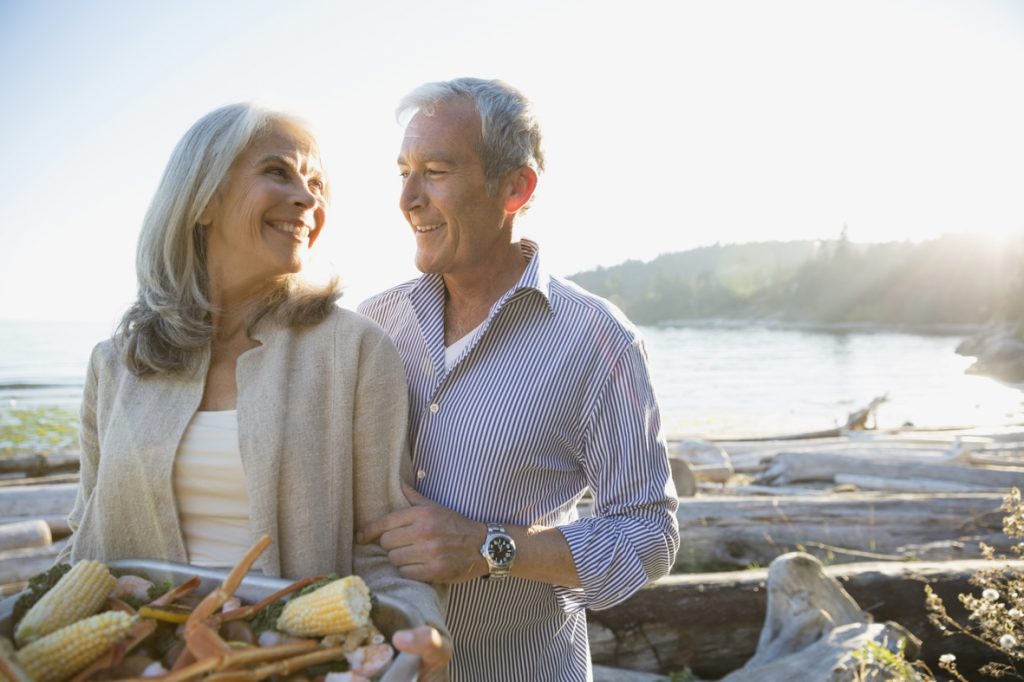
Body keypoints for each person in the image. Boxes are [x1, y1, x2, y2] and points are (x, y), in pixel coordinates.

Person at [60, 103, 449, 678]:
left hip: (288, 664)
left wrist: (419, 633)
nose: (308, 200)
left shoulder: (357, 352)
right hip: (129, 662)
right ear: (204, 198)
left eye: (316, 185)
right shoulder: (115, 364)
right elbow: (85, 541)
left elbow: (381, 550)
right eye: (278, 172)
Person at [357, 78, 680, 681]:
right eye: (402, 170)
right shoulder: (371, 327)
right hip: (379, 668)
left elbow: (649, 536)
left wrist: (489, 548)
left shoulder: (596, 339)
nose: (407, 198)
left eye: (435, 170)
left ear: (515, 187)